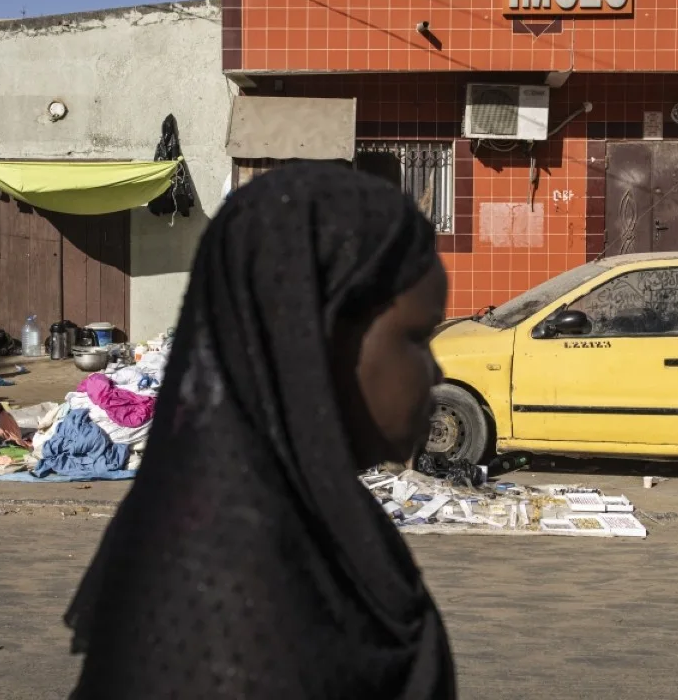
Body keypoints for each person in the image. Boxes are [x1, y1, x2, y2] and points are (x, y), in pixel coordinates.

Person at [64, 164, 455, 698]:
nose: (436, 373)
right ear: (310, 341)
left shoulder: (322, 516)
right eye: (417, 336)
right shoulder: (229, 599)